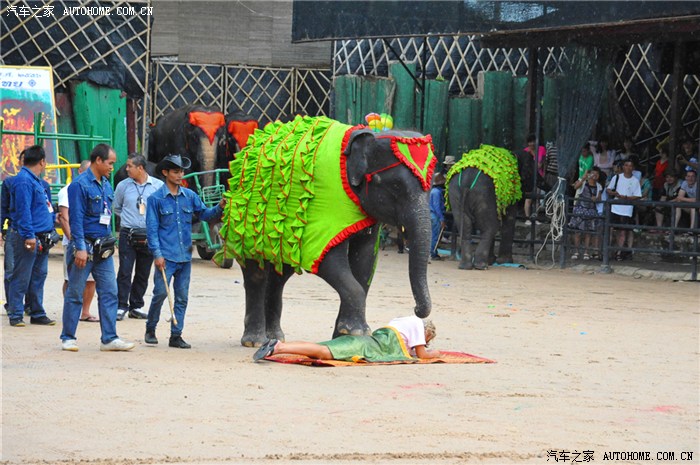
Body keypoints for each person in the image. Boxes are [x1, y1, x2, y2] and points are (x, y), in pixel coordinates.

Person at [144, 154, 225, 349]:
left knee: (182, 298)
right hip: (166, 257)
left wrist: (219, 207)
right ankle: (150, 328)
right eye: (176, 171)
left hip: (185, 257)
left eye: (181, 171)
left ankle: (176, 335)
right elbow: (152, 230)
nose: (180, 175)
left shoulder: (190, 196)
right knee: (160, 294)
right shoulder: (155, 199)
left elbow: (205, 215)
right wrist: (157, 255)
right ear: (165, 173)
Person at [60, 144, 135, 352]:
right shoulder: (79, 185)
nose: (113, 167)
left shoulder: (106, 184)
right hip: (84, 247)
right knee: (75, 293)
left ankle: (109, 339)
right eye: (110, 163)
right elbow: (76, 219)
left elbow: (107, 216)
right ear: (98, 161)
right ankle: (68, 337)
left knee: (110, 292)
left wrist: (111, 242)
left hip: (103, 249)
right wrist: (80, 248)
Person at [6, 145, 56, 327]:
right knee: (22, 275)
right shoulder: (24, 181)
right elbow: (23, 210)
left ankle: (37, 312)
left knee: (38, 276)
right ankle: (16, 314)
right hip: (29, 237)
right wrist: (29, 235)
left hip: (42, 237)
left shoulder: (36, 181)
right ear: (42, 161)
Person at [253, 316, 439, 362]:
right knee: (325, 352)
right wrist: (434, 353)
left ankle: (280, 345)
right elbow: (422, 355)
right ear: (426, 331)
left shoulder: (401, 322)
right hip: (368, 347)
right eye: (426, 340)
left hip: (366, 341)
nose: (424, 343)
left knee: (322, 346)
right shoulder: (417, 324)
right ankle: (278, 348)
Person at [113, 154, 164, 321]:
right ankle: (121, 306)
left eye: (130, 166)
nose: (126, 169)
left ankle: (136, 306)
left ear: (140, 168)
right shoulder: (123, 186)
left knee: (143, 272)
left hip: (149, 235)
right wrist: (130, 219)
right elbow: (117, 207)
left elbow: (162, 209)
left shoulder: (158, 186)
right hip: (128, 234)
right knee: (125, 271)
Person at [57, 160, 98, 322]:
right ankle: (70, 310)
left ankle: (85, 311)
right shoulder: (67, 190)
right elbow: (64, 218)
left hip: (92, 242)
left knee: (91, 280)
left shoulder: (97, 188)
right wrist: (74, 241)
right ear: (80, 172)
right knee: (70, 279)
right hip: (74, 242)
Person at [606, 159, 642, 261]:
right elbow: (608, 189)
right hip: (615, 207)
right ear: (623, 167)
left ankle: (619, 252)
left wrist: (626, 197)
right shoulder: (617, 177)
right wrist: (615, 194)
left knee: (623, 231)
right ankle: (607, 251)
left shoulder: (635, 181)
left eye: (630, 166)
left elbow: (637, 195)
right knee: (611, 229)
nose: (628, 168)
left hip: (627, 209)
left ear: (633, 168)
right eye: (626, 165)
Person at [569, 167, 603, 260]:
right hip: (580, 209)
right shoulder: (583, 182)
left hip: (591, 210)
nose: (595, 175)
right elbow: (575, 187)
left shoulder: (599, 186)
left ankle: (586, 252)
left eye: (597, 174)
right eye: (593, 173)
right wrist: (583, 178)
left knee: (588, 232)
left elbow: (599, 198)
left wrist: (596, 199)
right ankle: (576, 251)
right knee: (577, 232)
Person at [522, 134, 545, 223]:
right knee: (528, 199)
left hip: (539, 176)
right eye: (530, 142)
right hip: (529, 178)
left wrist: (543, 175)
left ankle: (535, 217)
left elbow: (544, 163)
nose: (532, 143)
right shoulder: (525, 151)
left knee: (537, 199)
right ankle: (527, 218)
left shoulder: (541, 149)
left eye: (533, 141)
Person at [429, 172, 446, 261]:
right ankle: (433, 253)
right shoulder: (437, 192)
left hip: (430, 214)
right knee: (435, 235)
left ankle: (431, 252)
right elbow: (437, 207)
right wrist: (441, 218)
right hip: (435, 216)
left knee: (431, 235)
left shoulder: (432, 191)